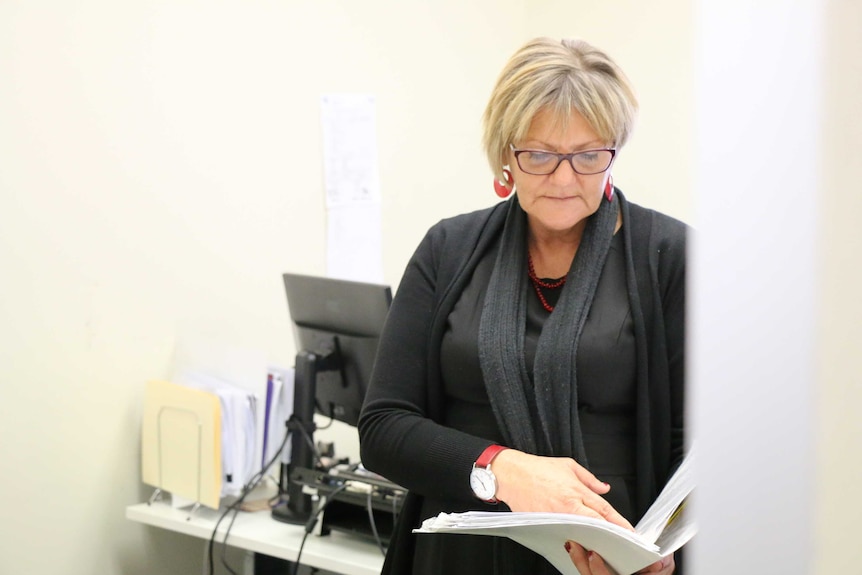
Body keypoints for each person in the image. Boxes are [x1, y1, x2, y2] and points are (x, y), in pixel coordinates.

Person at [358, 37, 686, 575]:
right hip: (457, 556)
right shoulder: (448, 248)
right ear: (505, 153)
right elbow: (384, 428)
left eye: (588, 155)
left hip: (605, 559)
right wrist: (505, 471)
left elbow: (695, 450)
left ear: (614, 150)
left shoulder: (669, 257)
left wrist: (665, 557)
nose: (563, 179)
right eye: (538, 155)